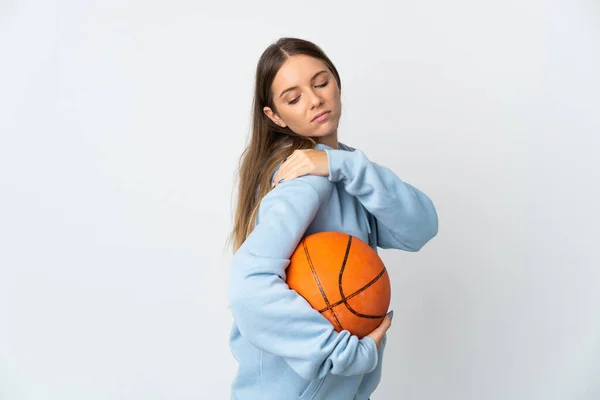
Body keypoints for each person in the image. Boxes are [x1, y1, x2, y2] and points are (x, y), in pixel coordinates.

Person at [227, 37, 438, 400]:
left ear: (337, 82)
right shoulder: (304, 183)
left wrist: (343, 164)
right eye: (293, 98)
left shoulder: (344, 171)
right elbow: (249, 290)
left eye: (320, 82)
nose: (314, 100)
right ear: (274, 117)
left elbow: (420, 227)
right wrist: (342, 354)